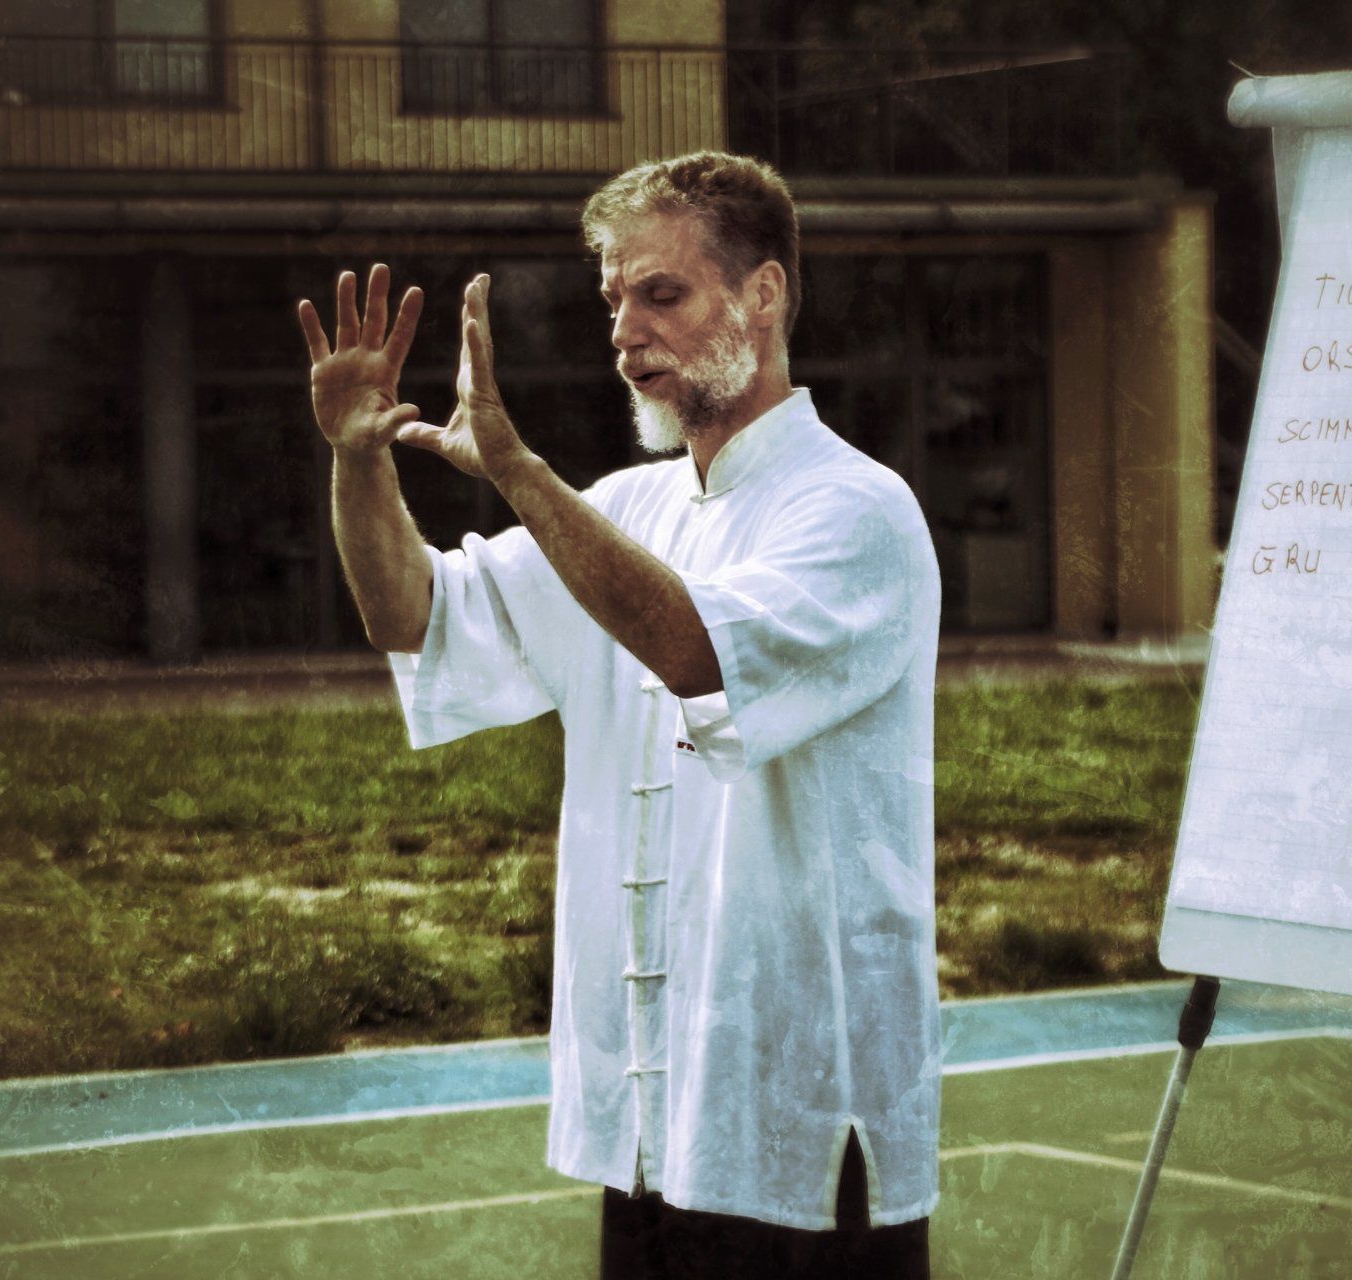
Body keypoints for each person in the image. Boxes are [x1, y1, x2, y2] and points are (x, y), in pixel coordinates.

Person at [296, 151, 941, 1280]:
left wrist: (518, 472)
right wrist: (361, 466)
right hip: (651, 1115)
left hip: (801, 1115)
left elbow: (694, 648)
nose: (626, 329)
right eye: (614, 299)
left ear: (766, 294)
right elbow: (415, 617)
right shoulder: (629, 505)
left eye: (663, 293)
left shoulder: (858, 509)